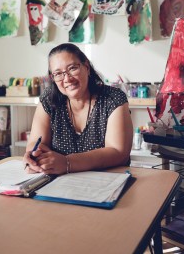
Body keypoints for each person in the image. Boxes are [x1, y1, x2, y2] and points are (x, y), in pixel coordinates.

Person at [24, 43, 132, 175]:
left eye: (72, 68)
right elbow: (36, 141)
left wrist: (67, 163)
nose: (67, 79)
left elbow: (118, 152)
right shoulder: (49, 99)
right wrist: (34, 158)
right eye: (58, 74)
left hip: (108, 182)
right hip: (60, 184)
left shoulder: (113, 99)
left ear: (86, 67)